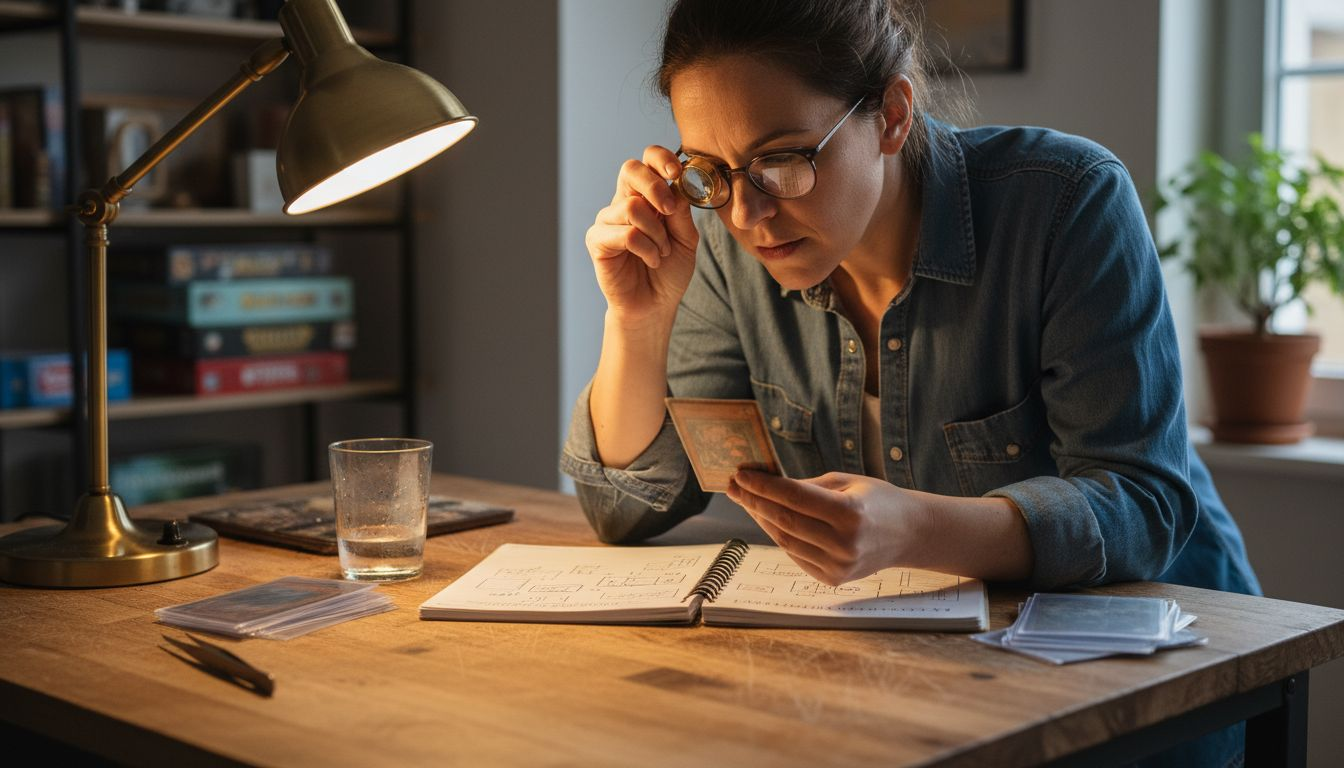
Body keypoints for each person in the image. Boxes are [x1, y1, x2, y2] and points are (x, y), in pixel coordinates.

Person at [561, 2, 1258, 762]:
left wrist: (916, 530)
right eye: (713, 174)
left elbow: (1144, 507)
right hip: (925, 699)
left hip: (1150, 697)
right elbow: (624, 508)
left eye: (783, 159)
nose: (749, 212)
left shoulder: (1064, 202)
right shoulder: (731, 254)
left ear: (891, 115)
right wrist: (636, 320)